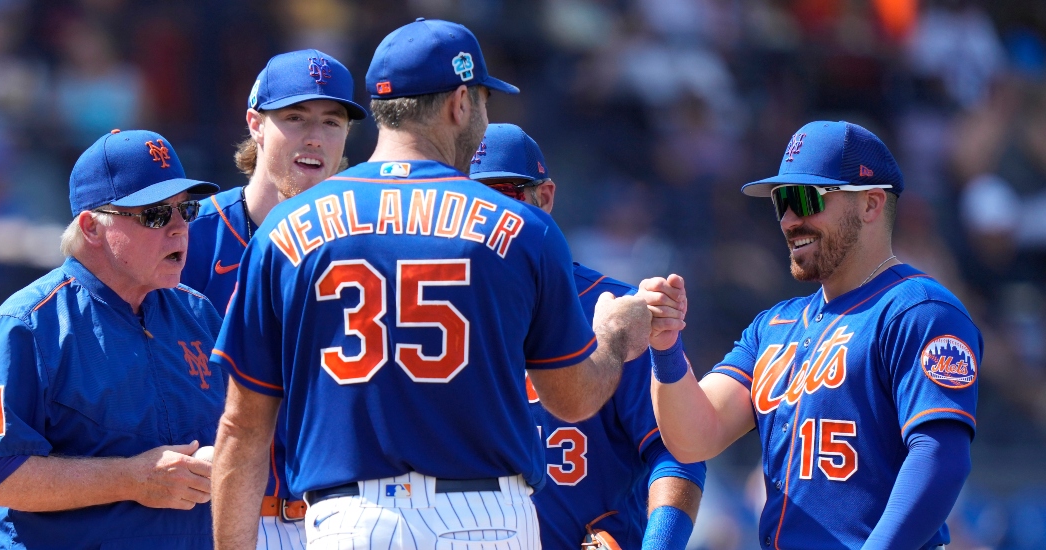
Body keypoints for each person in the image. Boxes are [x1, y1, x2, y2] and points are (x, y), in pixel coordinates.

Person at [210, 18, 654, 550]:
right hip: (487, 515)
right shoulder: (522, 227)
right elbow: (573, 399)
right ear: (460, 103)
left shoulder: (286, 230)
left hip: (350, 521)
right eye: (485, 102)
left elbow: (242, 429)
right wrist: (612, 336)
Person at [646, 121, 982, 549]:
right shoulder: (773, 326)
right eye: (780, 202)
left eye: (804, 198)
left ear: (871, 204)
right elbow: (694, 436)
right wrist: (666, 345)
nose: (788, 219)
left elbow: (940, 458)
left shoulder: (919, 310)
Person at [0, 129, 226, 549]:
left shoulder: (198, 313)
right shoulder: (25, 326)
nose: (177, 229)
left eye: (185, 210)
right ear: (91, 227)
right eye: (154, 214)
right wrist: (132, 479)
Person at [471, 123, 705, 550]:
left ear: (545, 198)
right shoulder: (432, 313)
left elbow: (678, 451)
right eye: (468, 200)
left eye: (502, 194)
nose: (486, 217)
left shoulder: (619, 309)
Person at [181, 48, 365, 550]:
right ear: (255, 124)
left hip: (347, 519)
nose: (314, 136)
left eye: (332, 121)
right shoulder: (190, 239)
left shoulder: (368, 244)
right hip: (213, 517)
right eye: (294, 117)